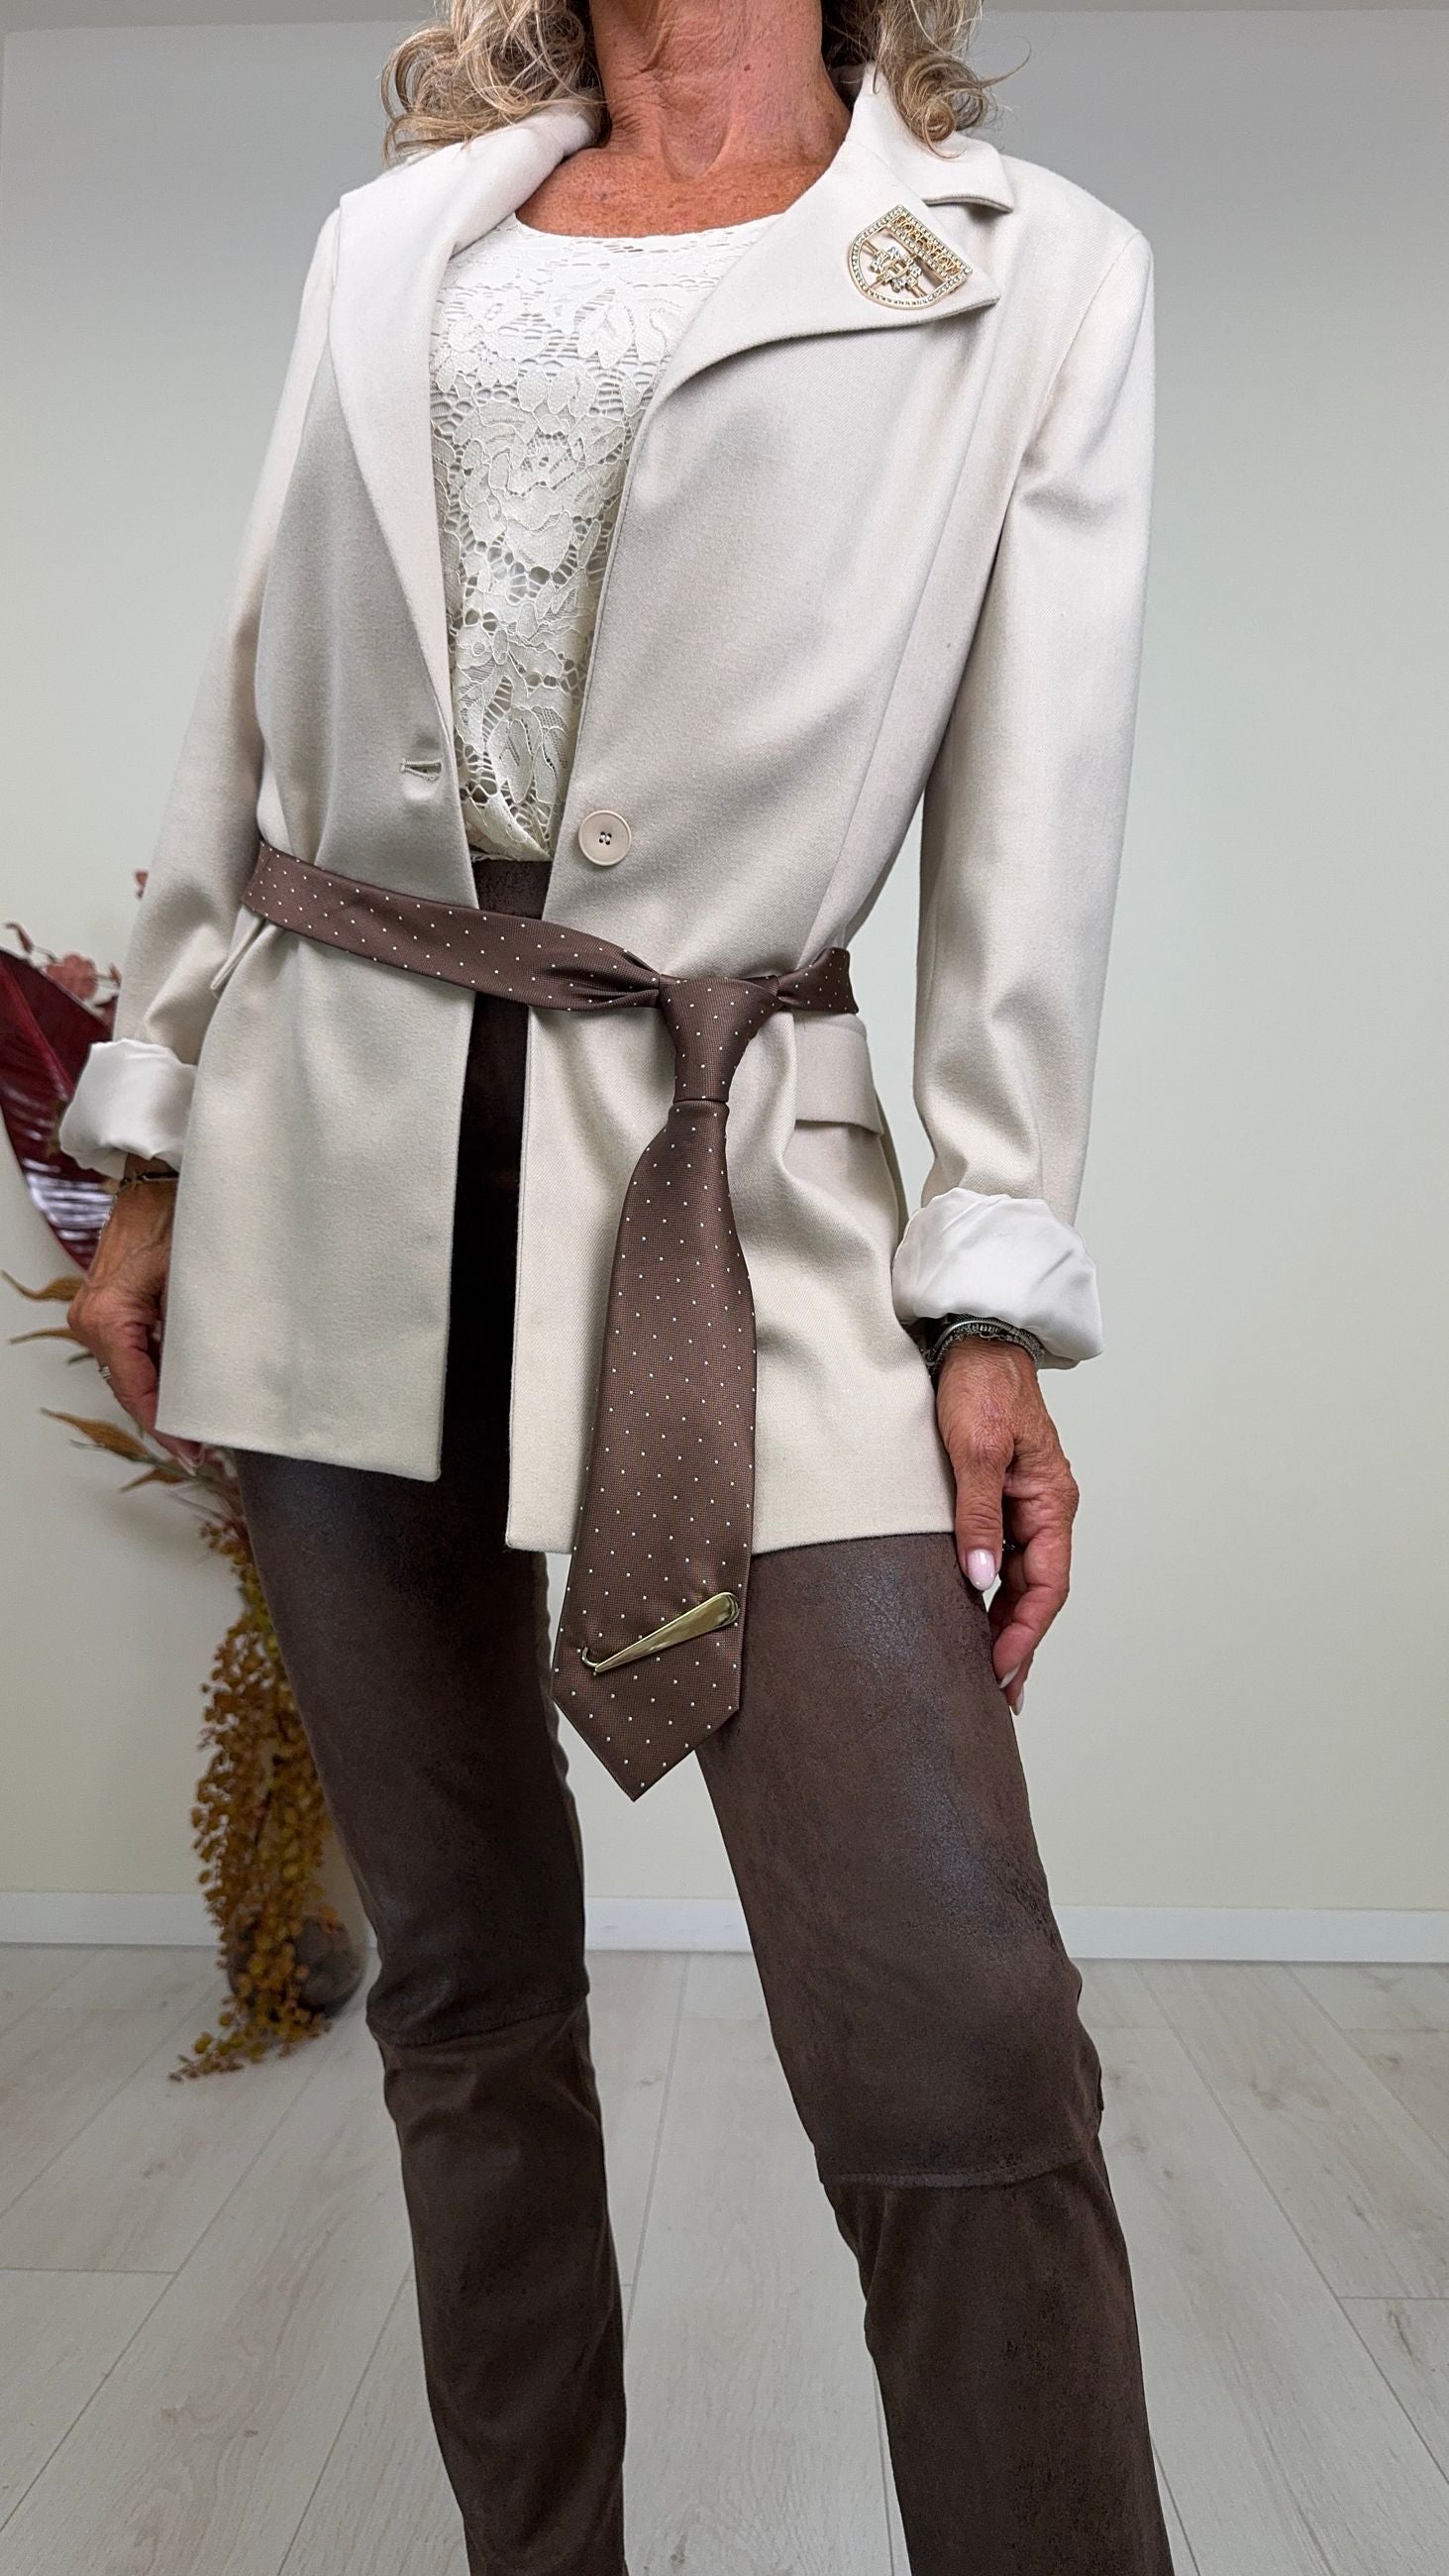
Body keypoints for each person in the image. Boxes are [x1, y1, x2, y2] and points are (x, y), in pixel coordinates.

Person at [60, 4, 1171, 2568]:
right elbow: (250, 700)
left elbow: (1037, 817)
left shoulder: (1033, 273)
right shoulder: (396, 238)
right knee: (465, 1986)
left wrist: (992, 1290)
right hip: (332, 1153)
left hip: (720, 1166)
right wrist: (151, 1126)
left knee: (958, 2034)